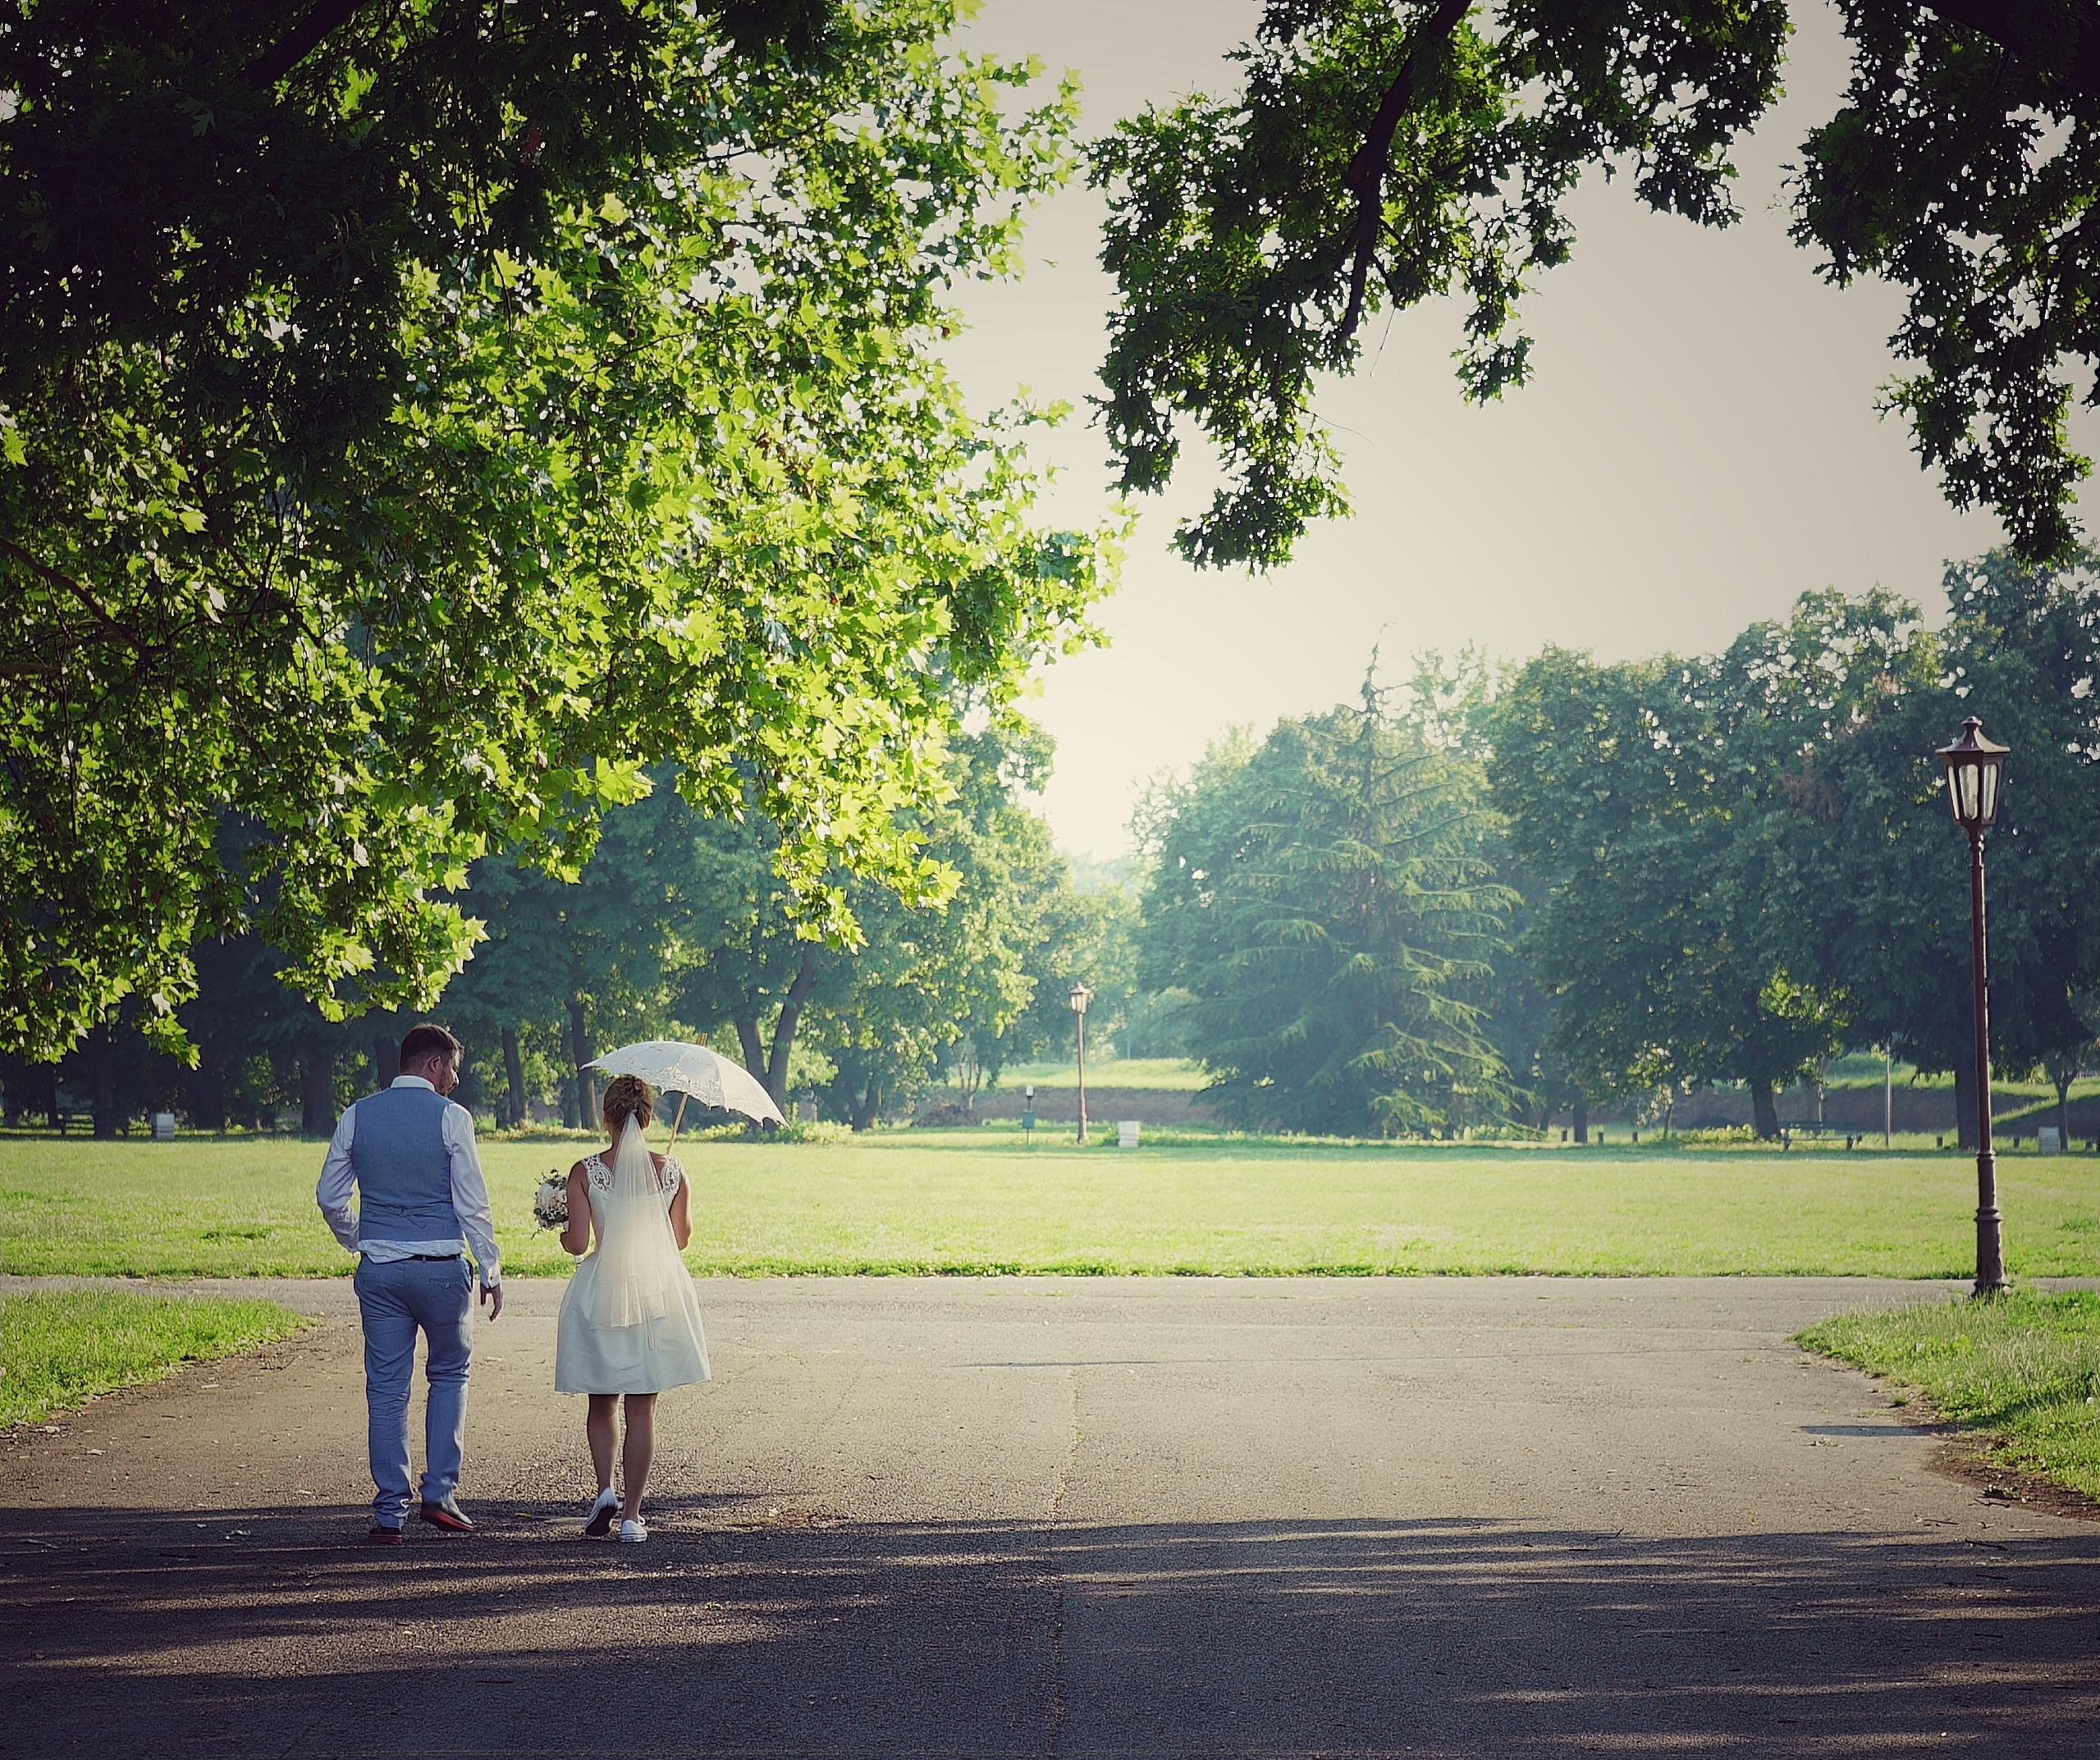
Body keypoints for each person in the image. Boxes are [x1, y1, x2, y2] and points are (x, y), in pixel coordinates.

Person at [316, 1023, 502, 1544]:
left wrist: (361, 1239)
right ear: (433, 1065)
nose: (456, 1082)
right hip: (441, 1268)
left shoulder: (357, 1116)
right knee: (448, 1374)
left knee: (387, 1388)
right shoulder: (453, 1120)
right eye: (453, 1070)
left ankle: (389, 1513)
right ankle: (439, 1494)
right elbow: (472, 1201)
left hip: (380, 1272)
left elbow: (330, 1197)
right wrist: (490, 1269)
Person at [554, 1074, 709, 1543]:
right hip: (655, 1293)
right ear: (649, 1117)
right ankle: (632, 1517)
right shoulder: (673, 1170)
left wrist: (561, 1229)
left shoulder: (585, 1171)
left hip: (602, 1289)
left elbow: (578, 1242)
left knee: (602, 1403)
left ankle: (604, 1490)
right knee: (642, 1410)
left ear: (607, 1117)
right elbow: (680, 1241)